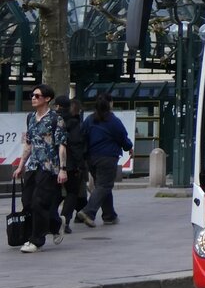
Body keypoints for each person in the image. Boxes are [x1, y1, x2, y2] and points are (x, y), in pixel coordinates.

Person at [13, 84, 67, 252]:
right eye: (32, 96)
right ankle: (56, 224)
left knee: (39, 202)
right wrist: (21, 165)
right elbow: (29, 143)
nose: (33, 98)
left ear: (47, 99)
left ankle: (36, 240)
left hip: (49, 167)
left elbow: (62, 145)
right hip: (32, 166)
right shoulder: (30, 117)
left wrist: (63, 169)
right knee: (28, 202)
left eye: (37, 96)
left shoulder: (55, 119)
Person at [77, 94, 132, 228]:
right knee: (104, 186)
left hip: (91, 158)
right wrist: (129, 147)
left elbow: (82, 137)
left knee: (102, 185)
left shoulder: (89, 120)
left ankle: (109, 215)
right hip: (108, 157)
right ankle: (88, 212)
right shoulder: (114, 121)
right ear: (110, 104)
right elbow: (122, 138)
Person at [54, 95, 89, 234]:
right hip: (69, 164)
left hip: (52, 163)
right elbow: (75, 145)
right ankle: (65, 220)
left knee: (55, 193)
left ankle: (50, 220)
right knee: (72, 192)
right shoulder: (73, 123)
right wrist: (80, 164)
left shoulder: (51, 119)